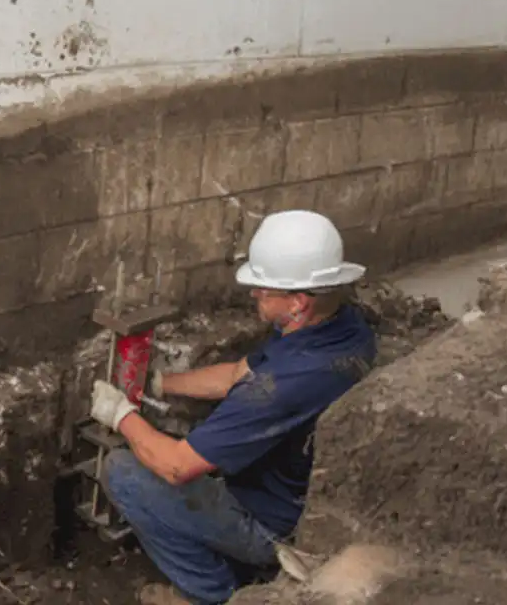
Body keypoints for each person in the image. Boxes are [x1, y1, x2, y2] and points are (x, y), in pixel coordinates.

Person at [89, 210, 377, 605]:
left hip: (274, 526)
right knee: (166, 444)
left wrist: (121, 415)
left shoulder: (284, 386)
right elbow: (235, 375)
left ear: (297, 302)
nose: (255, 293)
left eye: (264, 288)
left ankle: (208, 593)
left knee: (123, 472)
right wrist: (160, 384)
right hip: (290, 489)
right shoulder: (338, 328)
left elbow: (177, 466)